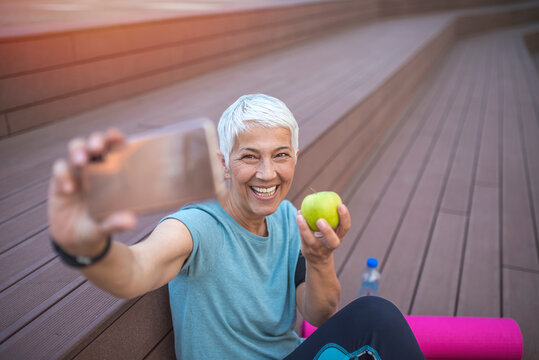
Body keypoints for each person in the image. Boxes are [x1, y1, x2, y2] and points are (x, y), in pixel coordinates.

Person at [48, 94, 425, 359]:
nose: (267, 173)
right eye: (249, 157)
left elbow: (319, 315)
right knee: (376, 317)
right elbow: (135, 270)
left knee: (373, 321)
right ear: (223, 163)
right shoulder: (196, 226)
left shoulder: (286, 219)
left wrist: (319, 257)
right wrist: (86, 244)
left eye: (280, 156)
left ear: (295, 158)